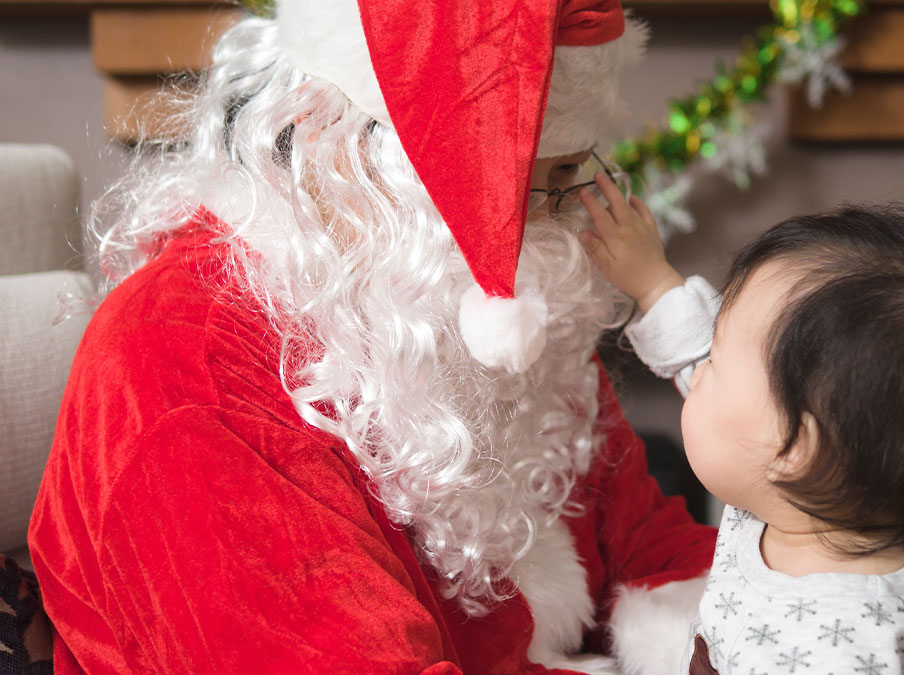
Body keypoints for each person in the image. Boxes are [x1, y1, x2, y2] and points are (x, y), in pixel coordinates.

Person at [28, 1, 716, 673]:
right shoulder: (185, 364)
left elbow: (651, 544)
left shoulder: (472, 297)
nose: (548, 235)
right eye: (510, 193)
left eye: (569, 175)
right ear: (335, 143)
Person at [580, 177, 904, 674]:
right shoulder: (840, 487)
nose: (698, 369)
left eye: (717, 362)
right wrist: (653, 283)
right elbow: (730, 397)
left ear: (797, 446)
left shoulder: (839, 641)